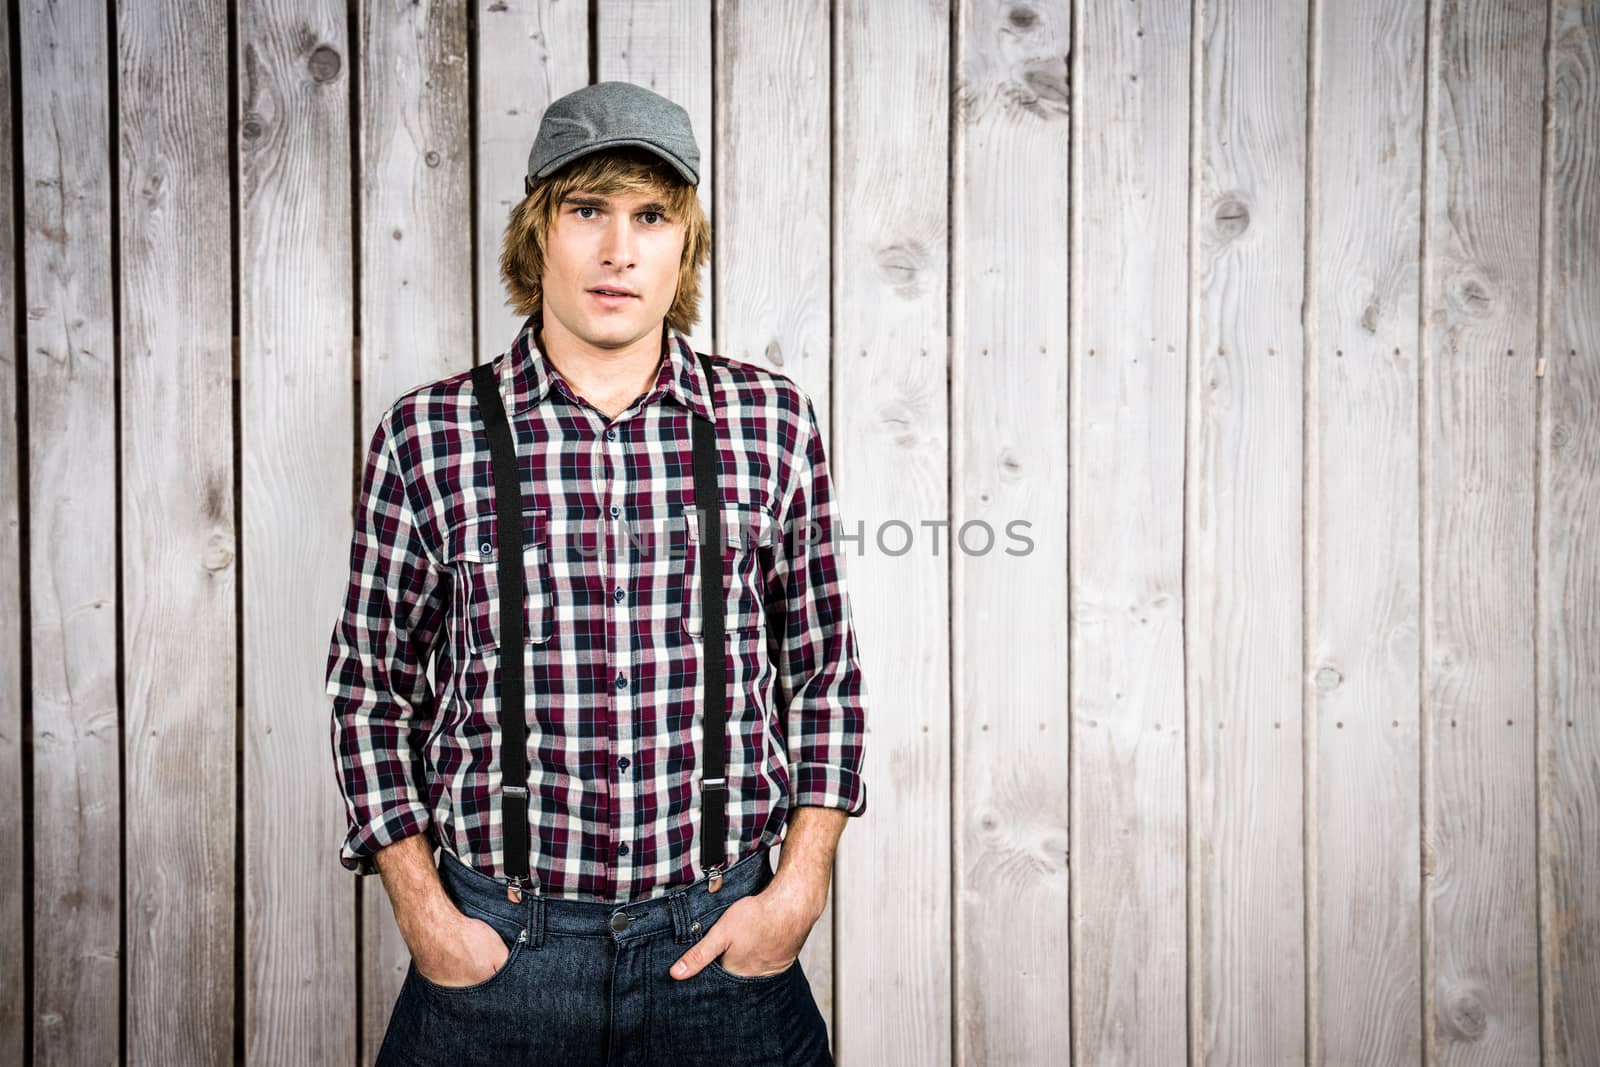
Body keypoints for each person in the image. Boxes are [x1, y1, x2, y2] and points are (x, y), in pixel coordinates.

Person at [324, 79, 868, 1067]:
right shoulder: (427, 434)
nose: (620, 249)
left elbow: (825, 672)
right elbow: (369, 689)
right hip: (500, 949)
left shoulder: (771, 423)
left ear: (683, 244)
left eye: (651, 215)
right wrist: (426, 911)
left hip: (723, 943)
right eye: (589, 211)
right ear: (539, 231)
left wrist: (796, 891)